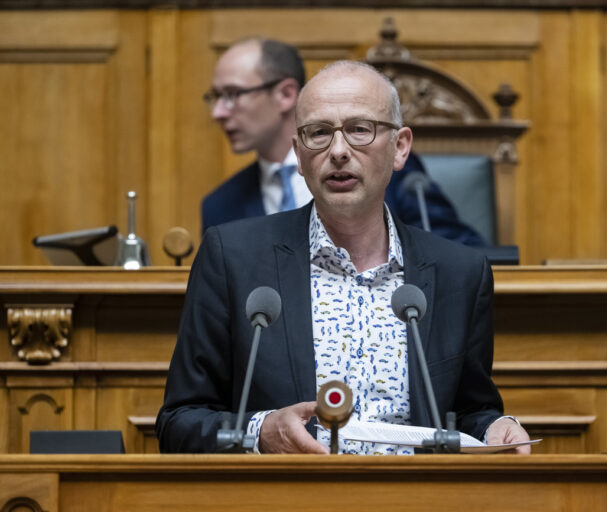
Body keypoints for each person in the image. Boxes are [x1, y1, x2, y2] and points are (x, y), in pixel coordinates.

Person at [157, 60, 529, 454]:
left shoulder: (461, 273)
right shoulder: (232, 259)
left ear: (400, 147)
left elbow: (469, 411)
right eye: (318, 133)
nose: (337, 151)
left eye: (359, 130)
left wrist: (495, 427)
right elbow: (180, 422)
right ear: (298, 155)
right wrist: (261, 432)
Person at [201, 38, 486, 246]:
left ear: (286, 95)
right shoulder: (220, 206)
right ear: (299, 155)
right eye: (215, 98)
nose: (218, 112)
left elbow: (461, 256)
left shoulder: (387, 167)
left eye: (233, 94)